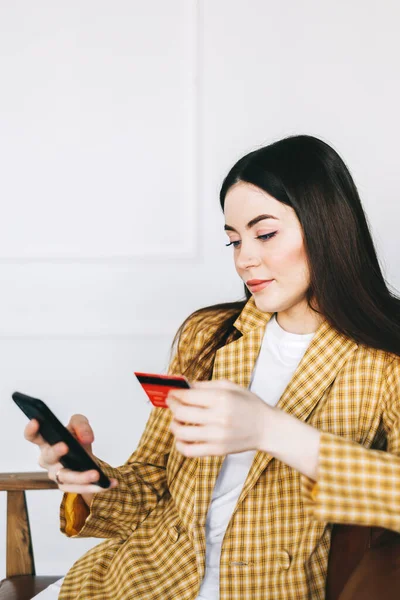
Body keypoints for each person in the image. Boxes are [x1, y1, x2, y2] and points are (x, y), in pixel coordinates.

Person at [25, 134, 400, 599]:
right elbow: (154, 483)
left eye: (265, 234)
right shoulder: (209, 334)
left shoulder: (386, 358)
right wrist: (92, 482)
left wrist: (271, 430)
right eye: (233, 241)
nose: (245, 259)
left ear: (326, 226)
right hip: (136, 581)